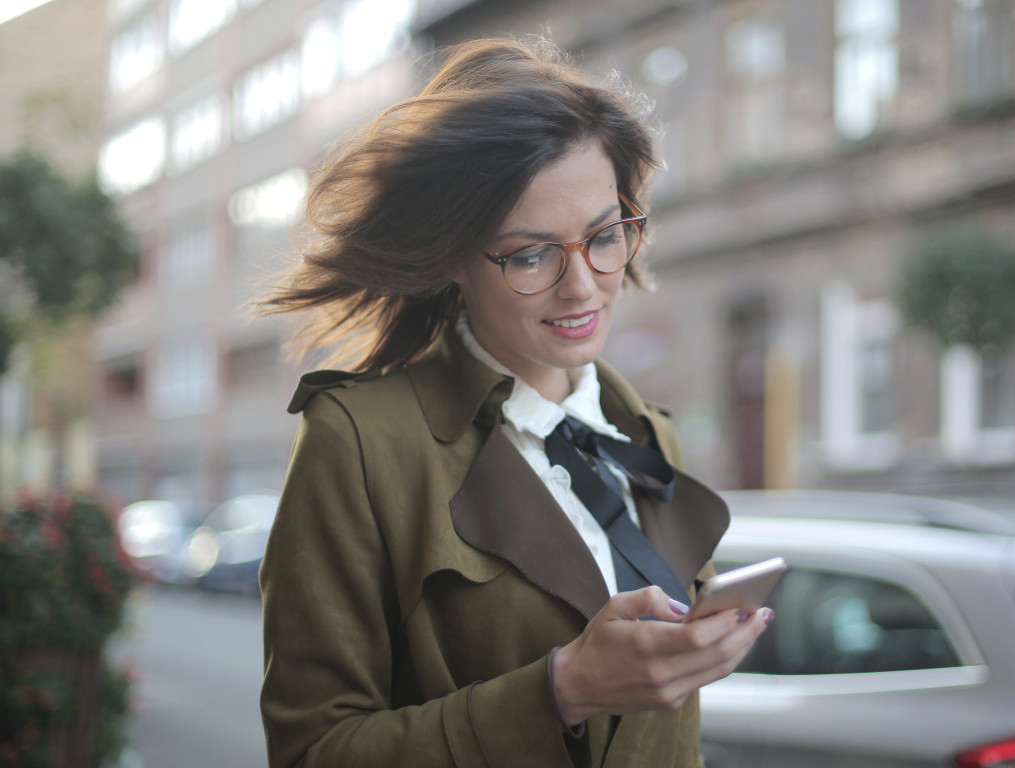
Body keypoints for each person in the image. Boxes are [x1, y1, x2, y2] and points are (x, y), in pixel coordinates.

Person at [257, 36, 773, 768]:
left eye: (603, 237)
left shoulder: (648, 437)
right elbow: (313, 751)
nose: (583, 285)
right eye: (530, 254)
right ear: (453, 259)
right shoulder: (360, 442)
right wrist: (561, 691)